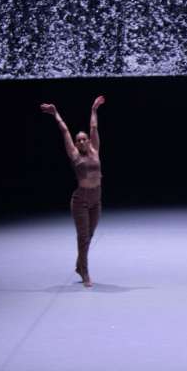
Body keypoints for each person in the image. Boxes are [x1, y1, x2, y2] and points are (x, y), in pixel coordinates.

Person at [40, 96, 105, 287]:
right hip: (81, 200)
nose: (82, 141)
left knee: (89, 236)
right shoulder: (75, 156)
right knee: (83, 238)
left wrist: (94, 109)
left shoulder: (95, 151)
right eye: (79, 140)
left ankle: (79, 265)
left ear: (89, 141)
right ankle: (84, 272)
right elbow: (65, 131)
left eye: (84, 139)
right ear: (76, 144)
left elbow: (94, 127)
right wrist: (56, 114)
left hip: (96, 199)